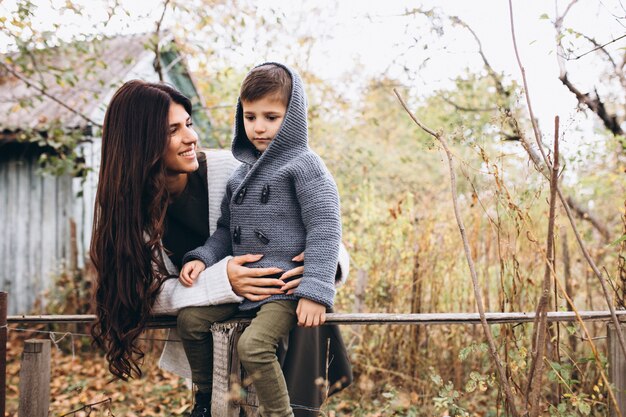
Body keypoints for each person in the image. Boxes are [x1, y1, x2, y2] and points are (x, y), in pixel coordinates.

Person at [89, 79, 352, 417]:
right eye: (173, 130)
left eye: (189, 123)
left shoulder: (233, 169)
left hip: (292, 307)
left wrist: (321, 272)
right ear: (141, 144)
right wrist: (220, 281)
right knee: (229, 403)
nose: (191, 137)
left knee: (293, 403)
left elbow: (324, 228)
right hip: (225, 325)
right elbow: (143, 292)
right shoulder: (128, 216)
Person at [177, 63, 340, 417]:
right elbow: (224, 230)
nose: (259, 127)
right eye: (250, 117)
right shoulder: (240, 175)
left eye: (271, 116)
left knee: (254, 346)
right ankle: (205, 399)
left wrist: (314, 290)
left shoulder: (304, 166)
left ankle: (281, 414)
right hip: (243, 290)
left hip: (283, 289)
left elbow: (325, 227)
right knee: (190, 321)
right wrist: (203, 257)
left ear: (292, 118)